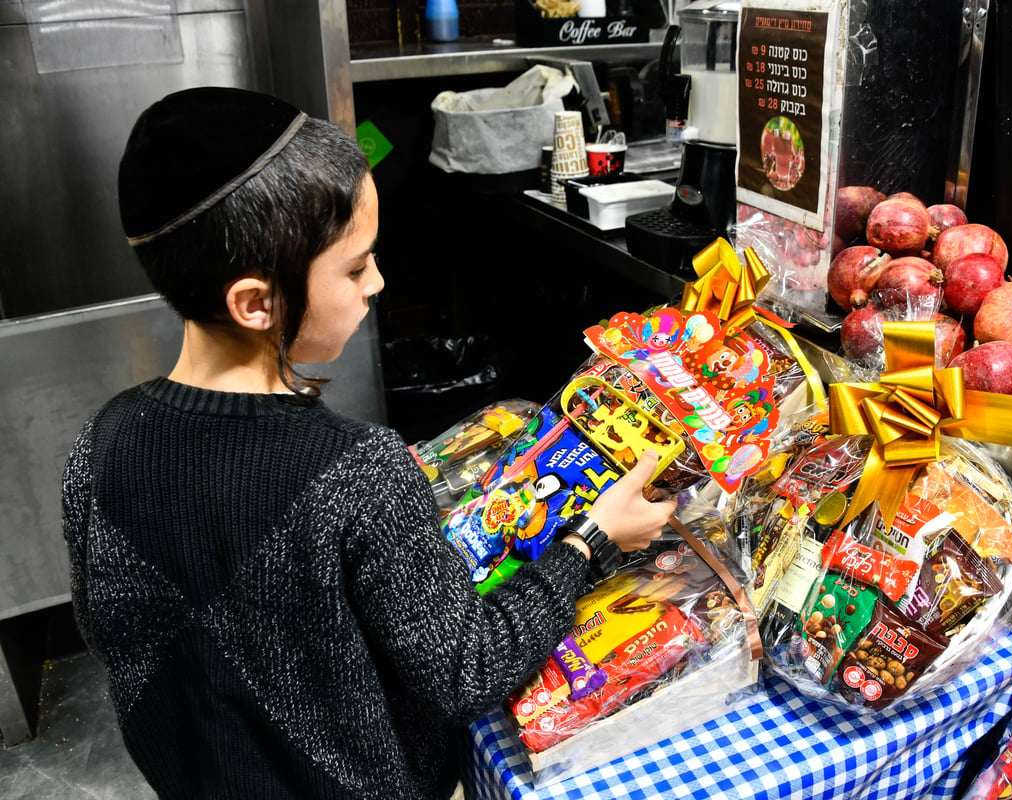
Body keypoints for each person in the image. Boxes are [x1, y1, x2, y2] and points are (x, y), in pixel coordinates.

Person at [61, 86, 677, 799]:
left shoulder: (97, 447)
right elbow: (467, 668)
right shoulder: (358, 473)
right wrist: (590, 542)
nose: (378, 282)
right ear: (256, 302)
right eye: (355, 268)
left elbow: (139, 641)